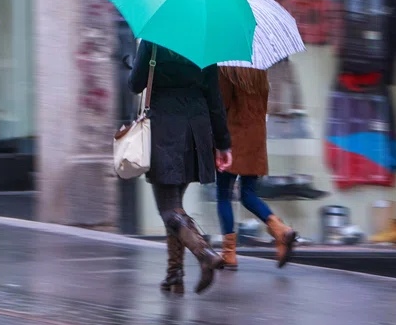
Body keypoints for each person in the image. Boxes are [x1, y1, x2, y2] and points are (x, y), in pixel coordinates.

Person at [127, 40, 232, 295]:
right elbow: (214, 97)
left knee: (167, 209)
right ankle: (174, 274)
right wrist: (223, 144)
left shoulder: (154, 39)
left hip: (164, 129)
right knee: (175, 207)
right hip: (197, 131)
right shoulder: (206, 42)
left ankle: (204, 252)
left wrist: (136, 64)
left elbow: (135, 84)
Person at [216, 66, 297, 269]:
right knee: (247, 193)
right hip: (256, 138)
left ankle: (229, 253)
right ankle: (279, 229)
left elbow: (221, 105)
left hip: (232, 138)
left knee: (223, 195)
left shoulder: (226, 68)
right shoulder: (260, 70)